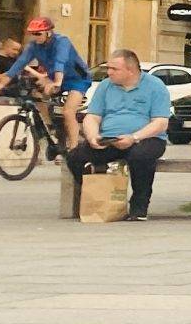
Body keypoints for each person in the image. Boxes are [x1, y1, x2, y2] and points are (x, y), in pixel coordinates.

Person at [64, 48, 170, 221]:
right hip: (110, 138)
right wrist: (92, 136)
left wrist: (134, 137)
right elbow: (92, 116)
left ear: (130, 70)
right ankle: (97, 201)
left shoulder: (155, 86)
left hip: (146, 138)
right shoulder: (106, 85)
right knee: (75, 157)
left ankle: (139, 207)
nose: (109, 72)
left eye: (114, 69)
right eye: (108, 68)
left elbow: (160, 123)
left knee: (140, 157)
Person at [0, 18, 92, 149]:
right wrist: (1, 84)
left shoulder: (62, 41)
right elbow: (18, 65)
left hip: (78, 79)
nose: (35, 37)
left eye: (38, 34)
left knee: (68, 112)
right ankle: (50, 125)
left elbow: (59, 62)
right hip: (54, 78)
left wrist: (57, 82)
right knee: (36, 94)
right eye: (33, 34)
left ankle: (74, 148)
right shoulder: (34, 46)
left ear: (48, 33)